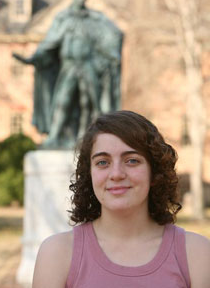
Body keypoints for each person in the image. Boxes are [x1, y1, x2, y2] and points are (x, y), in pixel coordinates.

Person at [32, 110, 210, 287]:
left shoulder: (197, 254)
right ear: (90, 174)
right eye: (102, 162)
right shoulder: (57, 254)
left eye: (132, 160)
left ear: (154, 172)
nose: (116, 174)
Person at [13, 0, 123, 149]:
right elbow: (49, 42)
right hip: (69, 66)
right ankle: (55, 136)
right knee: (62, 100)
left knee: (93, 103)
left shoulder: (94, 19)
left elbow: (112, 36)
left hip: (87, 65)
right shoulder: (63, 18)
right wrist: (33, 59)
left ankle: (98, 137)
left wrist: (111, 55)